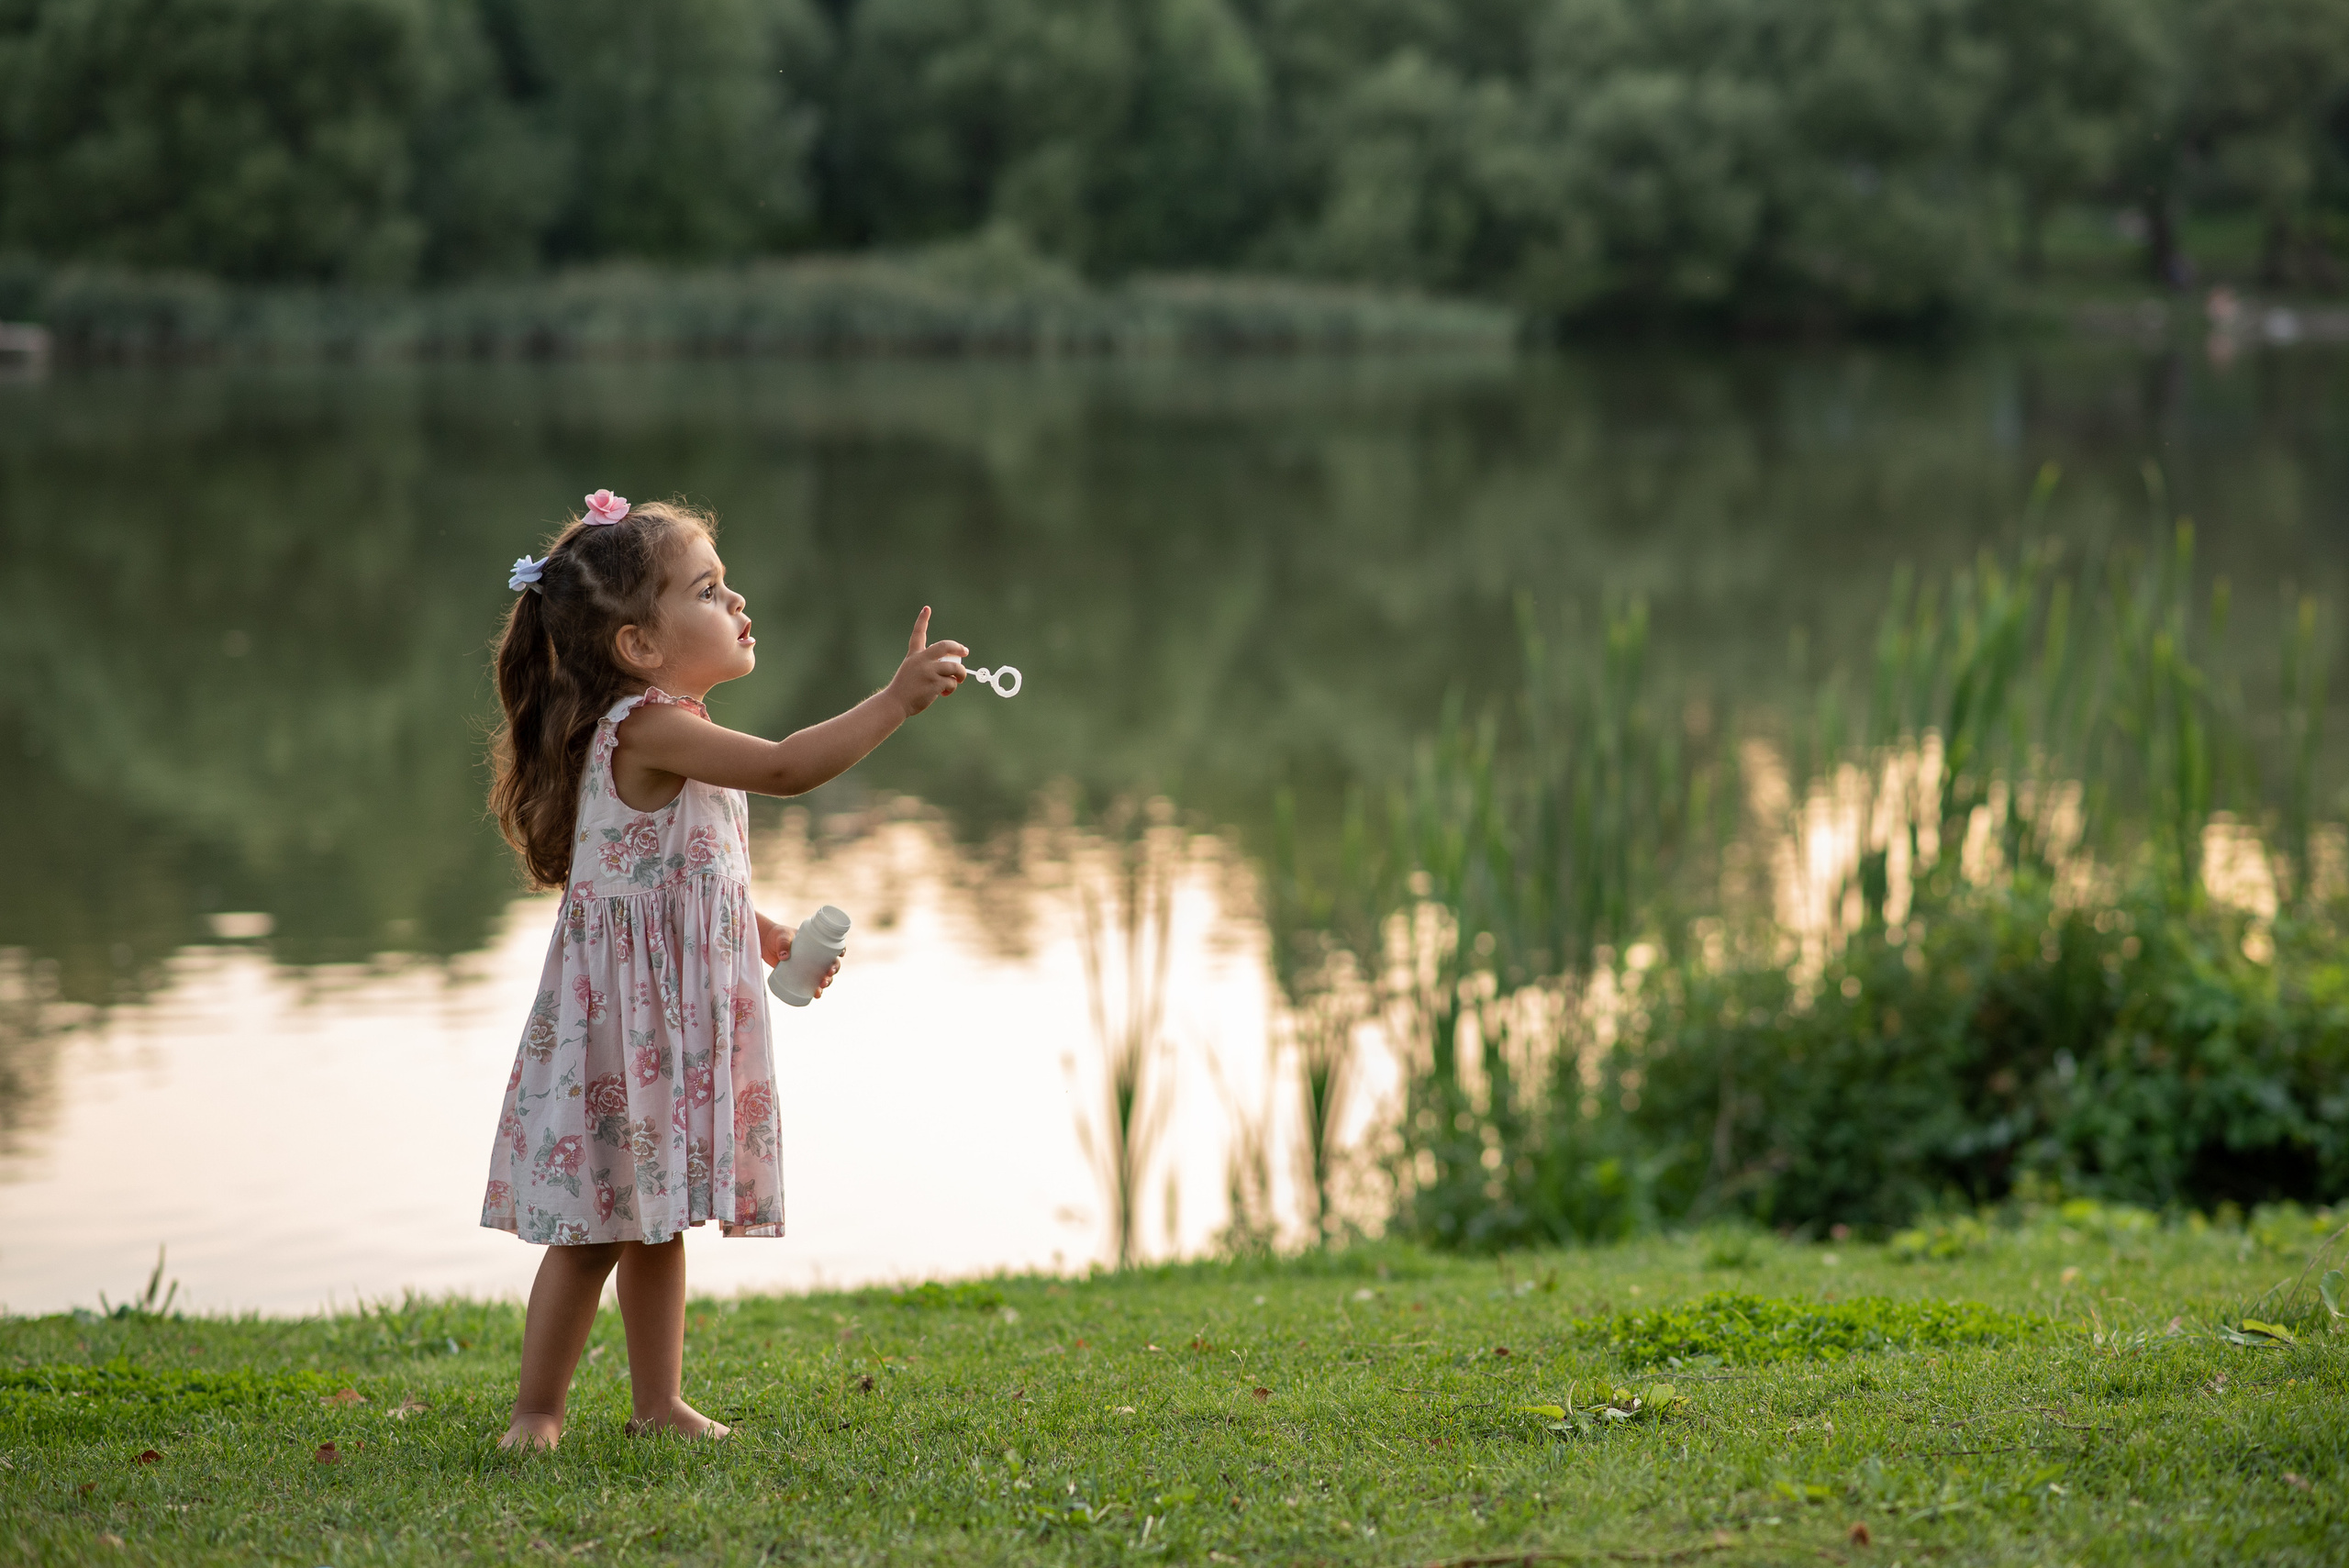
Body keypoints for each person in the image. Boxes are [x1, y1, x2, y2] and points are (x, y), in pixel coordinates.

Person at [480, 488, 967, 1448]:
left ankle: (657, 1403)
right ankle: (537, 1409)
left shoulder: (668, 723)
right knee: (593, 1229)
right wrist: (894, 701)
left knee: (653, 1217)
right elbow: (787, 767)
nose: (737, 601)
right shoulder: (648, 728)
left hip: (658, 1016)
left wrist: (764, 931)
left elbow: (673, 878)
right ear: (639, 647)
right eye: (708, 589)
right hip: (622, 1026)